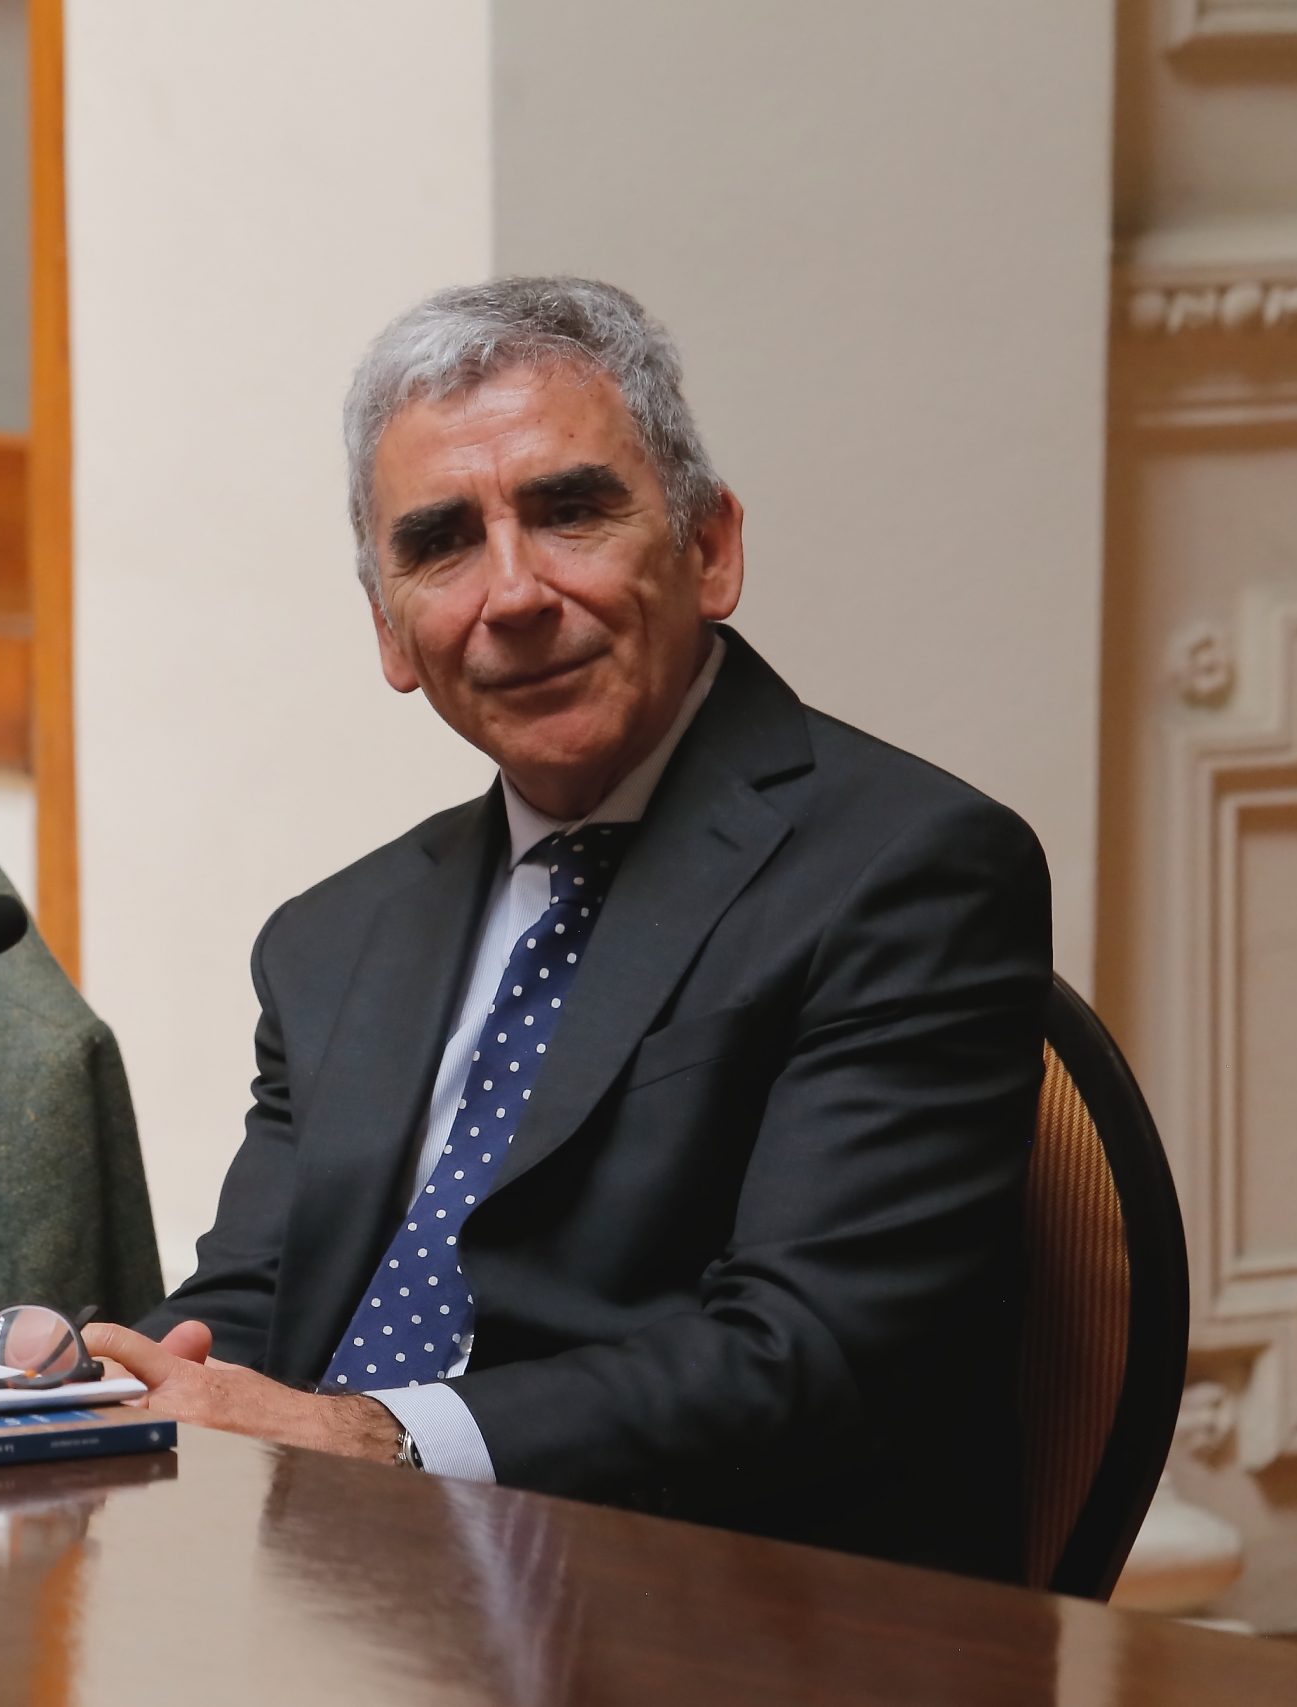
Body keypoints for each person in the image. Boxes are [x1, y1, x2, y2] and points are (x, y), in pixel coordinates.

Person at [84, 277, 1049, 1581]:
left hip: (711, 1613)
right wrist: (98, 1379)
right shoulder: (336, 937)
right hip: (337, 1598)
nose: (514, 592)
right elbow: (266, 1298)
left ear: (710, 549)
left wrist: (376, 1438)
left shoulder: (907, 870)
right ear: (391, 633)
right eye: (441, 544)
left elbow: (810, 1357)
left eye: (569, 512)